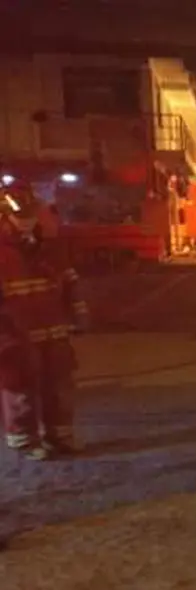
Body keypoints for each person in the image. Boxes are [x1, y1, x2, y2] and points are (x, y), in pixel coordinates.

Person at [0, 183, 89, 461]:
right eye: (21, 216)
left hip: (54, 329)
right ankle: (24, 440)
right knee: (20, 387)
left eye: (31, 215)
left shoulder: (49, 247)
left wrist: (79, 315)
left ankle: (59, 435)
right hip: (17, 332)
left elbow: (69, 281)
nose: (27, 221)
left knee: (59, 385)